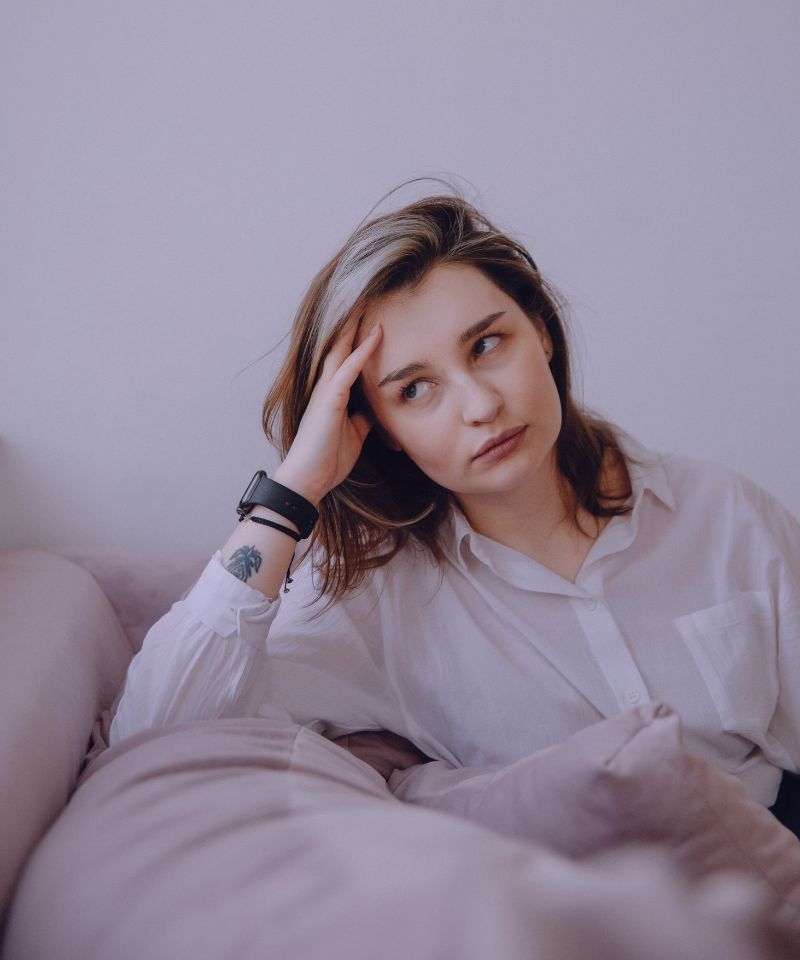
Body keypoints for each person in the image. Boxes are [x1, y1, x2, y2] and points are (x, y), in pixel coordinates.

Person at [109, 190, 800, 831]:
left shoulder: (723, 512)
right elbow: (153, 737)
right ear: (374, 427)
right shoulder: (375, 599)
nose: (480, 405)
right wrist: (293, 491)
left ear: (543, 331)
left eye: (487, 344)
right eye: (414, 390)